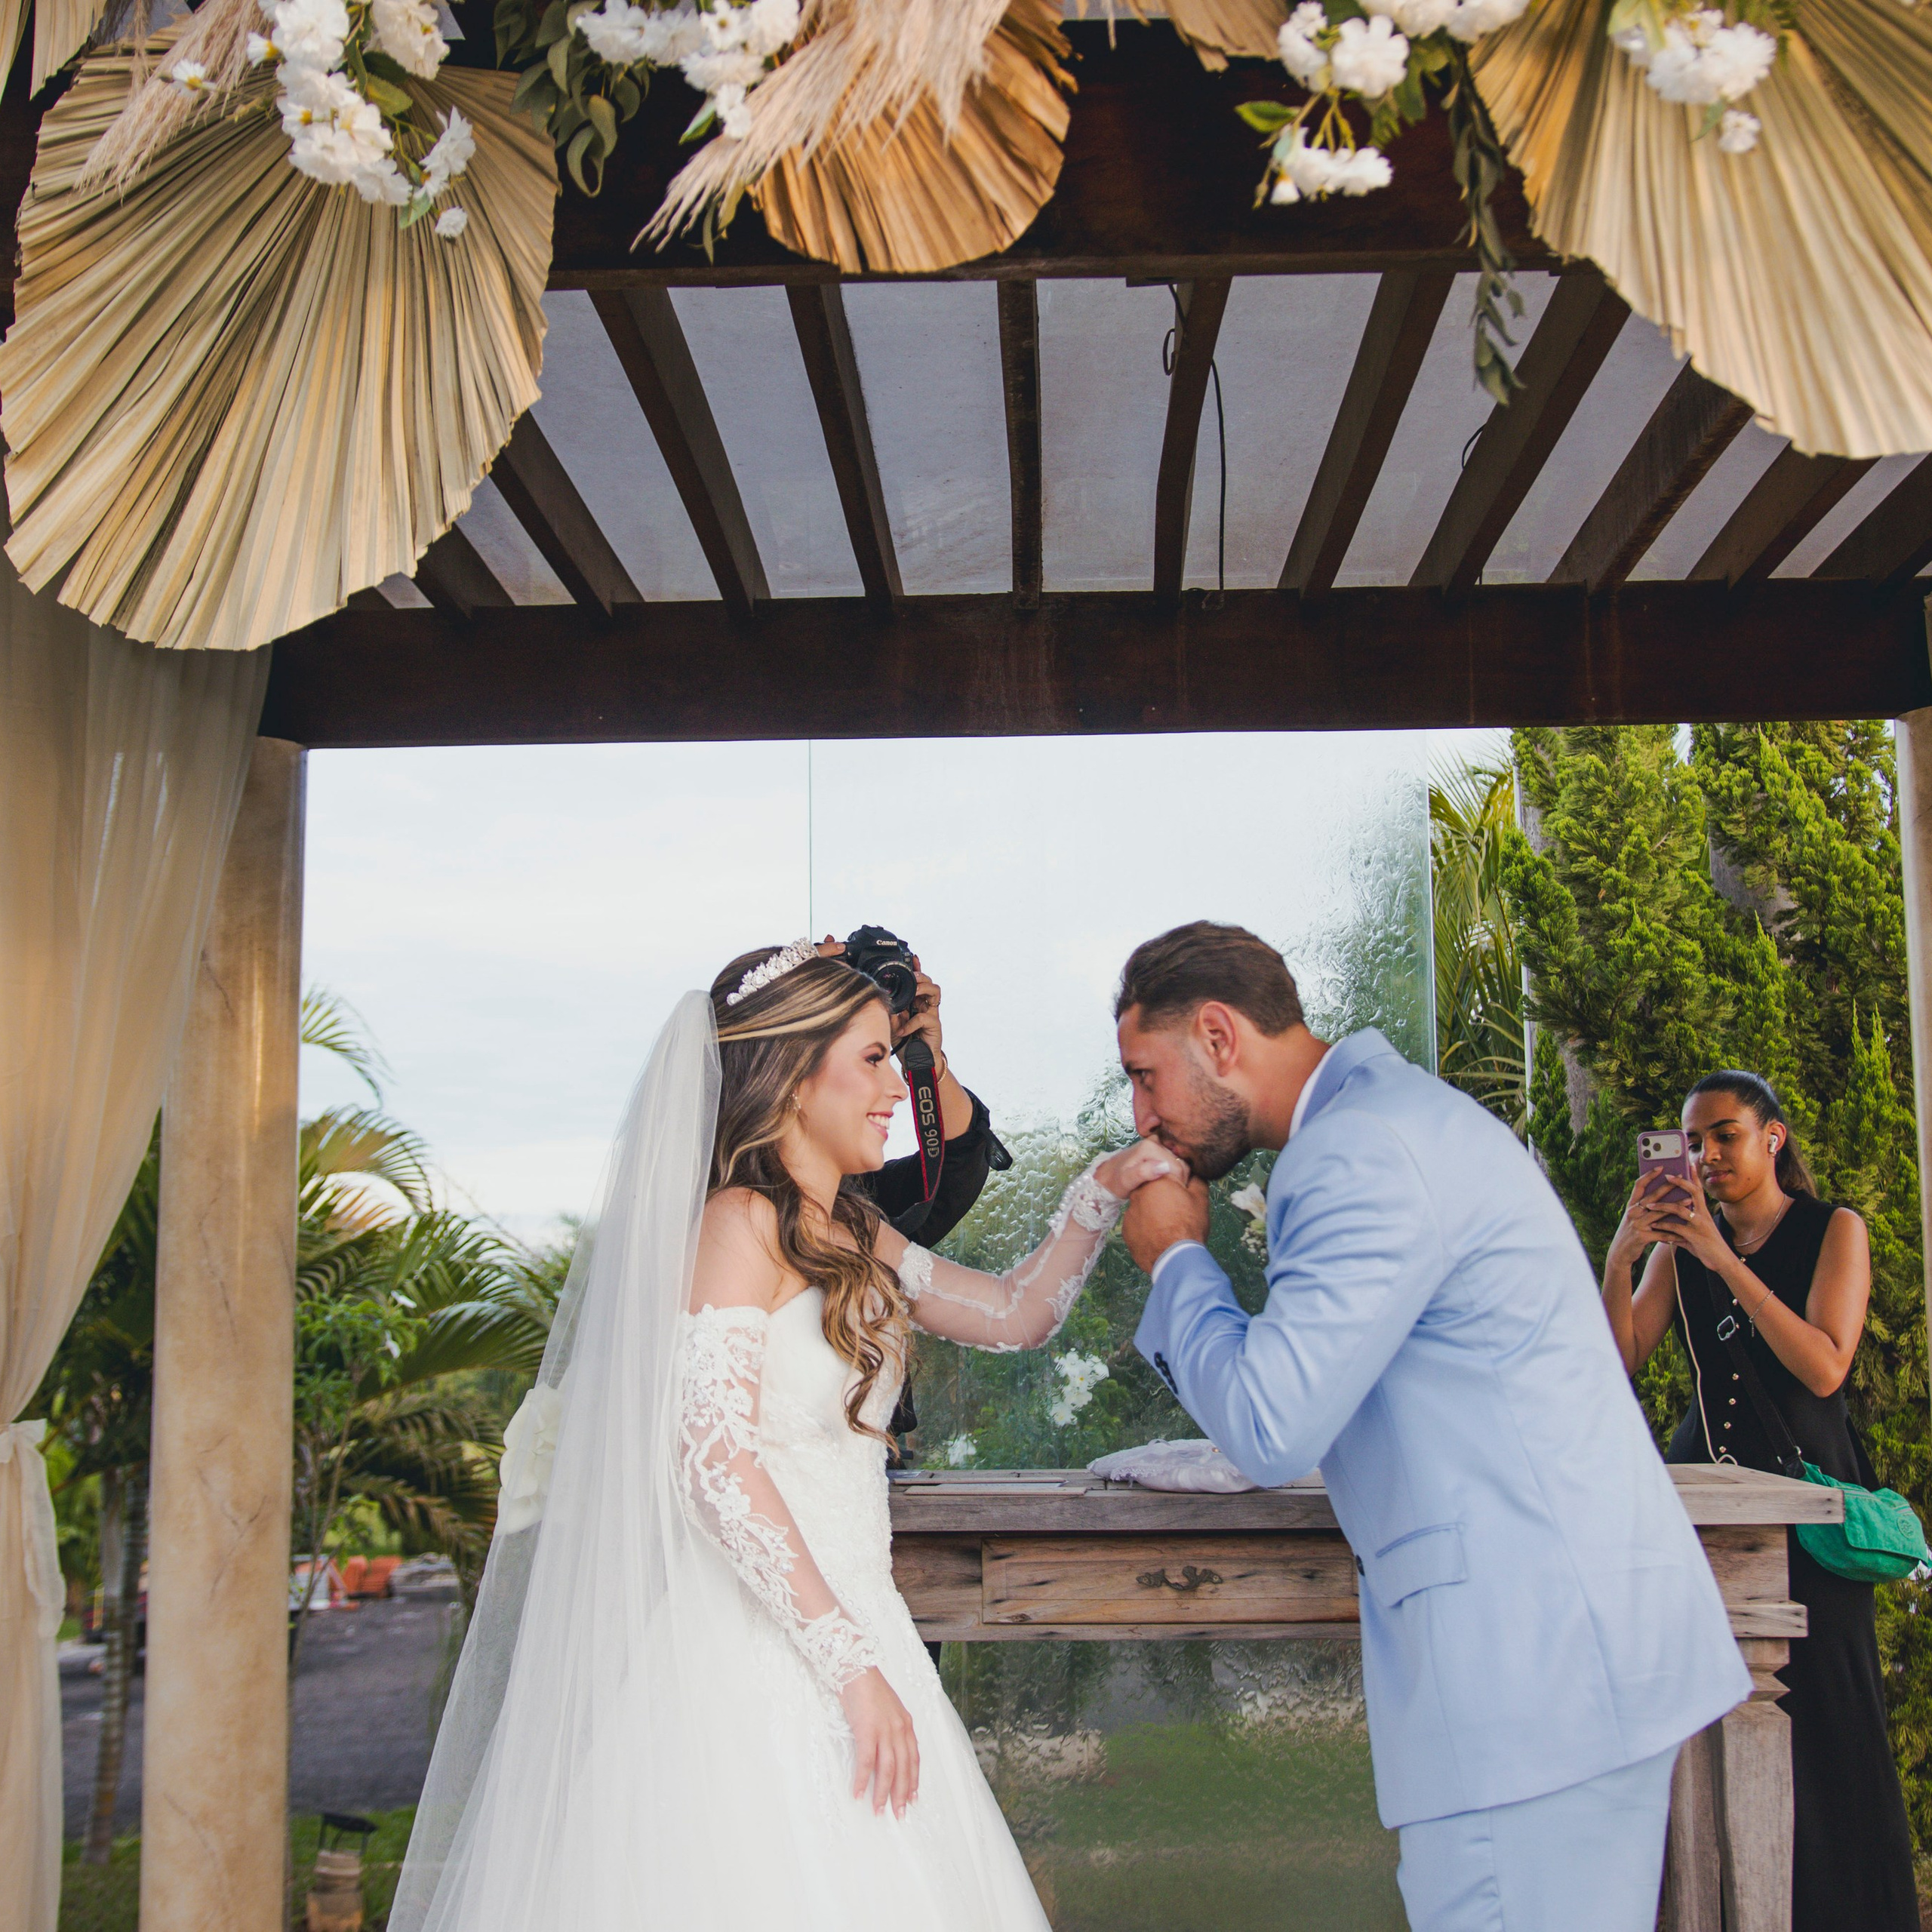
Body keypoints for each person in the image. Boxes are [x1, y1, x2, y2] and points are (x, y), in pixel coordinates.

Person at [388, 940, 1177, 1932]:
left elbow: (1015, 1313)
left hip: (865, 1626)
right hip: (755, 1656)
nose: (893, 1089)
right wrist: (847, 1664)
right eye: (872, 1060)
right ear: (796, 1076)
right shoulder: (736, 1225)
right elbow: (715, 1462)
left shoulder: (854, 1229)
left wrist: (1102, 1189)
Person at [1116, 921, 1750, 1932]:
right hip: (1571, 1664)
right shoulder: (1398, 1117)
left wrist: (1177, 1259)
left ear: (1220, 1037)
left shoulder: (1355, 1151)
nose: (1141, 1115)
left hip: (1530, 1687)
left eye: (1145, 1076)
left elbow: (1273, 1424)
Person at [1601, 1069, 1918, 1932]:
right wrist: (1623, 1255)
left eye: (1724, 1135)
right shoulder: (1676, 1249)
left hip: (1809, 1515)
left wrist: (1719, 1257)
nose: (1705, 1155)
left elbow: (1824, 1364)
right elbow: (1617, 1360)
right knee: (1713, 1729)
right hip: (1709, 1515)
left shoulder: (1831, 1229)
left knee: (1834, 1728)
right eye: (1691, 1142)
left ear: (1772, 1137)